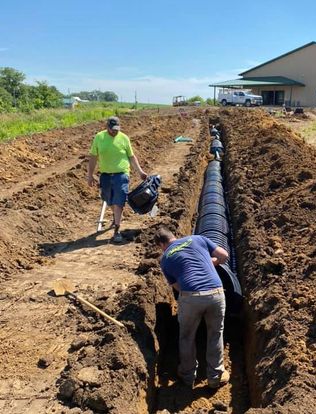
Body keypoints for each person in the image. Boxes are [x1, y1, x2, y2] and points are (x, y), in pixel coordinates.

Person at [154, 227, 230, 389]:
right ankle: (215, 376)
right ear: (174, 236)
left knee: (187, 336)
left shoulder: (166, 258)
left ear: (161, 244)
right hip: (216, 292)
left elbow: (178, 288)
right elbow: (224, 256)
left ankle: (188, 376)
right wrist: (210, 263)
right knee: (215, 334)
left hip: (191, 297)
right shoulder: (198, 238)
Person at [88, 116, 147, 243]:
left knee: (119, 201)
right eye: (112, 129)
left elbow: (131, 157)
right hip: (105, 175)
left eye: (117, 129)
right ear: (107, 127)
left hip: (122, 174)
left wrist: (140, 171)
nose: (115, 132)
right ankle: (116, 217)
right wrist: (90, 175)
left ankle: (117, 230)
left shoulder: (124, 138)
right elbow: (93, 157)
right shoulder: (99, 138)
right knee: (108, 200)